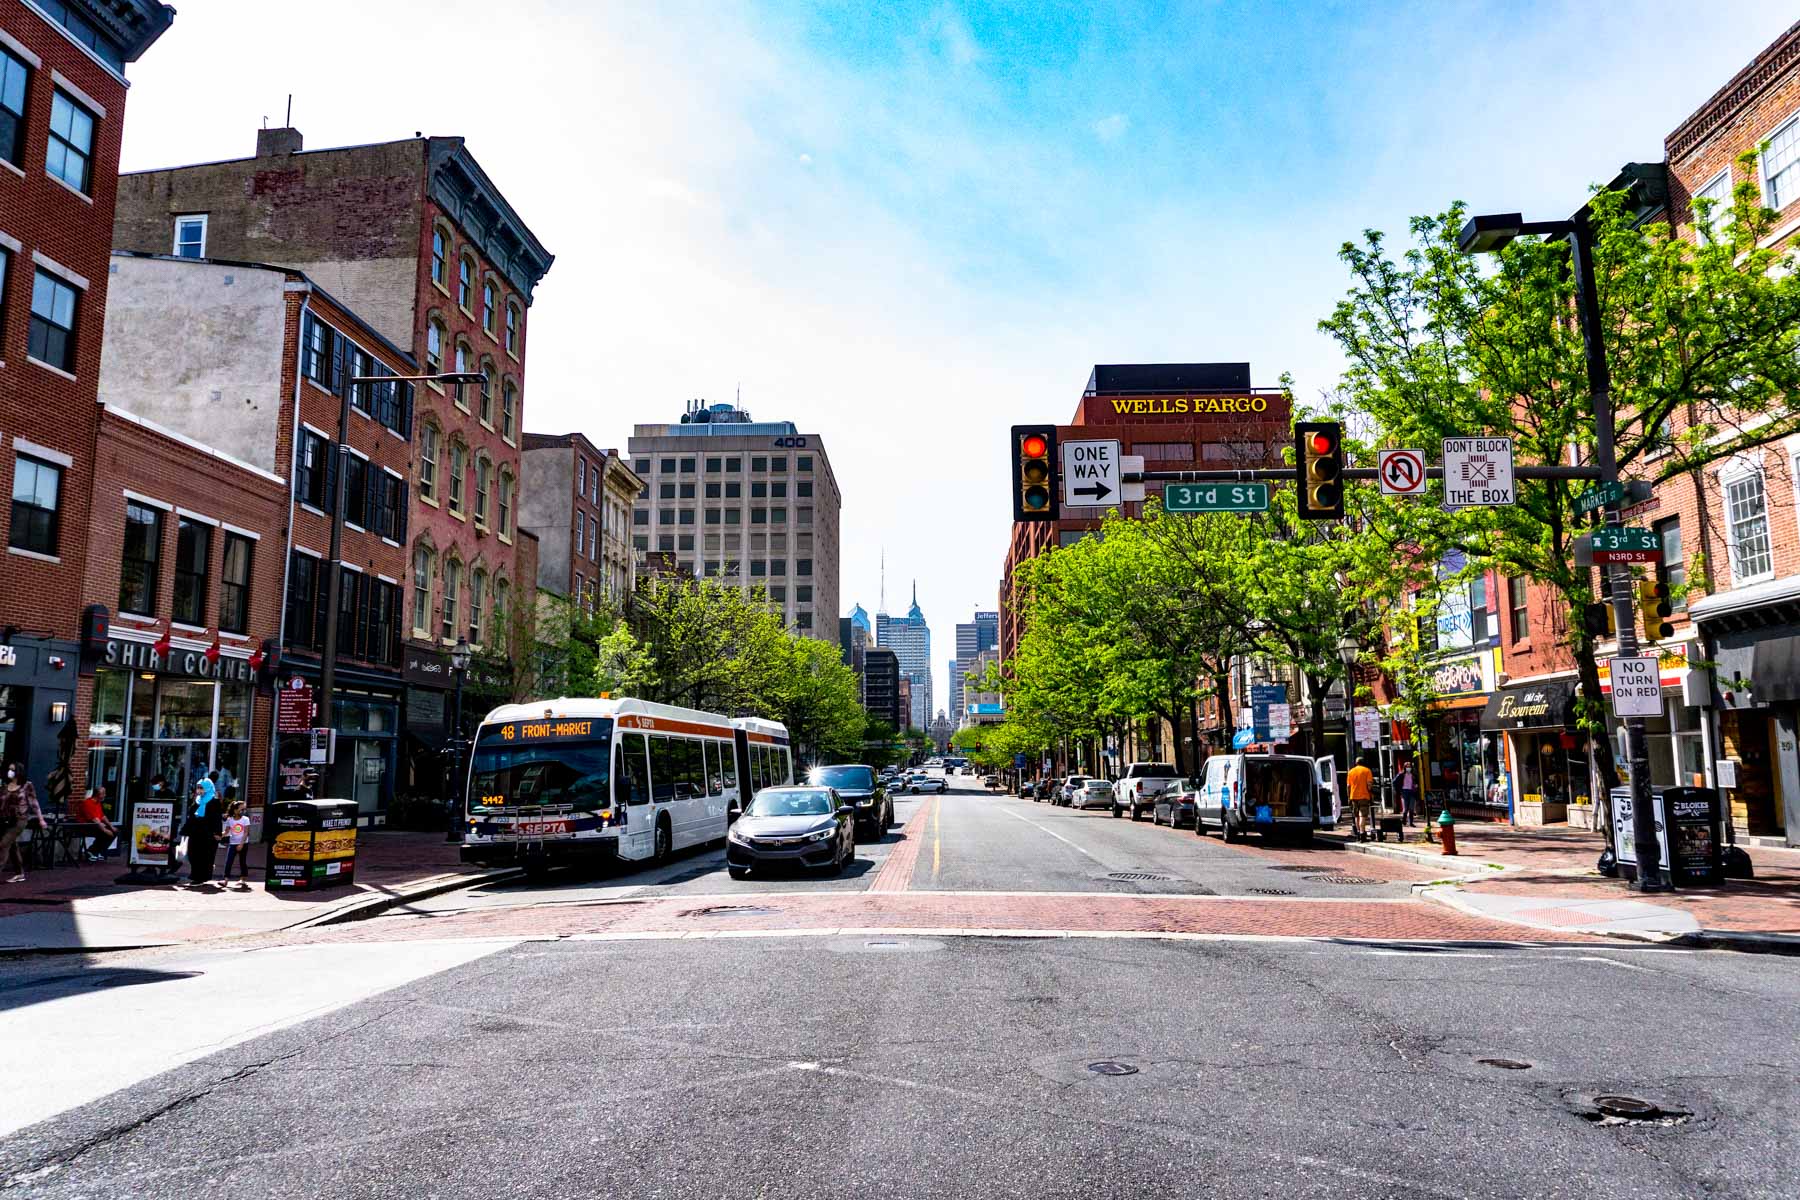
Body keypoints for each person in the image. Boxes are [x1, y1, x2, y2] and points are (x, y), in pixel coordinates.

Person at [1, 763, 47, 882]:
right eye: (9, 769)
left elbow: (34, 803)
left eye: (12, 769)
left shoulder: (27, 785)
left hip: (20, 819)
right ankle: (19, 873)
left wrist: (41, 819)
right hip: (5, 819)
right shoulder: (5, 786)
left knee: (3, 844)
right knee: (12, 845)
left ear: (18, 771)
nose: (9, 771)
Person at [182, 778, 219, 885]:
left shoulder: (213, 801)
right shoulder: (197, 800)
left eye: (201, 788)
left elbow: (216, 818)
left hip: (207, 834)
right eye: (198, 788)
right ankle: (195, 874)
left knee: (204, 855)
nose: (199, 790)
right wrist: (185, 829)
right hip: (195, 832)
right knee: (193, 853)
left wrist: (217, 832)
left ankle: (200, 877)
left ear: (207, 788)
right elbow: (191, 816)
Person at [71, 786, 117, 860]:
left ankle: (96, 851)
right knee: (105, 833)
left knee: (115, 831)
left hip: (94, 825)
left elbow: (102, 816)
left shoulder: (98, 803)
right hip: (85, 826)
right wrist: (105, 830)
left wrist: (111, 827)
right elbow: (94, 820)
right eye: (103, 793)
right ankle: (92, 851)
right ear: (97, 795)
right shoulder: (87, 803)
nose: (105, 795)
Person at [220, 801, 252, 887]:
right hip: (233, 843)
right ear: (235, 810)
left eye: (244, 809)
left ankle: (242, 879)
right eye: (241, 809)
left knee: (242, 861)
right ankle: (225, 880)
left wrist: (241, 844)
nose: (243, 811)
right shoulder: (230, 819)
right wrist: (220, 835)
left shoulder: (245, 819)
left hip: (243, 843)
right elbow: (226, 831)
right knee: (228, 861)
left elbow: (246, 833)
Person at [1345, 755, 1375, 842]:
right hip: (1364, 796)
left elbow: (1348, 786)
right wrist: (1371, 793)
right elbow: (1369, 784)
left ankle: (1358, 833)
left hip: (1353, 796)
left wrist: (1349, 796)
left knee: (1356, 815)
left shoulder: (1351, 772)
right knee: (1362, 815)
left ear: (1356, 763)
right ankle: (1362, 834)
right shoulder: (1367, 771)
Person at [1397, 762, 1418, 827]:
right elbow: (1394, 782)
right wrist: (1399, 790)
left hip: (1412, 792)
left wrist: (1416, 785)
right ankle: (1404, 821)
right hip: (1404, 792)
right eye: (1407, 766)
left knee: (1411, 808)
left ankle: (1411, 823)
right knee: (1405, 809)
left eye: (1409, 766)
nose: (1408, 768)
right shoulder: (1401, 774)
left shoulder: (1413, 775)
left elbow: (1416, 782)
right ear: (1404, 767)